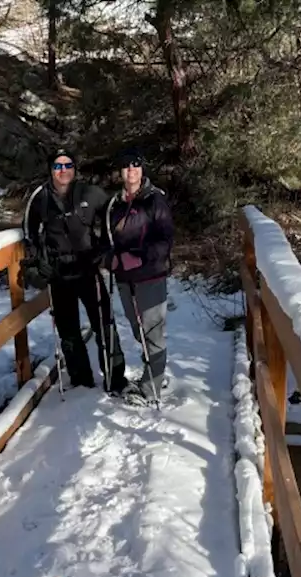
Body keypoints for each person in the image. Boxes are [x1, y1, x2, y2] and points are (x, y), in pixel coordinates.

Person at [21, 148, 127, 393]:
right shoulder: (40, 197)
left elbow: (113, 214)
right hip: (59, 272)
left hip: (88, 268)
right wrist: (38, 262)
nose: (63, 170)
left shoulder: (90, 192)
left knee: (104, 324)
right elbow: (29, 232)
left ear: (74, 168)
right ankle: (80, 380)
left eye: (67, 165)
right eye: (58, 166)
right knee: (68, 331)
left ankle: (115, 379)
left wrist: (105, 249)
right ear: (50, 170)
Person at [104, 148, 173, 403]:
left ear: (142, 169)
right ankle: (155, 371)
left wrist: (140, 257)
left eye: (136, 164)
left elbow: (165, 240)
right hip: (124, 278)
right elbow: (106, 240)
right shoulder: (115, 204)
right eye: (126, 166)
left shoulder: (155, 200)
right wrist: (109, 258)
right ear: (120, 172)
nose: (131, 169)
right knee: (139, 331)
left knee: (153, 333)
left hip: (150, 276)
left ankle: (150, 390)